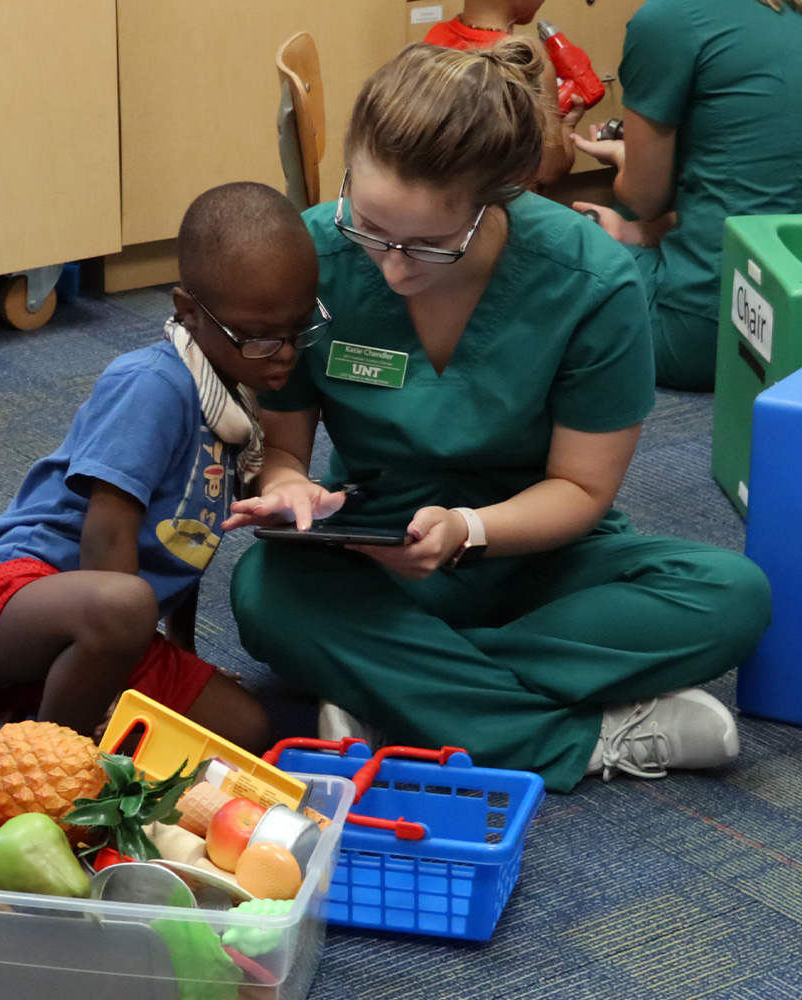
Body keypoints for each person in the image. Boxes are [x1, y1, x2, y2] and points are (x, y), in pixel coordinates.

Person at [223, 41, 771, 793]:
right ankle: (576, 738)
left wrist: (469, 531)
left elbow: (579, 491)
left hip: (535, 552)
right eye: (370, 229)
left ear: (502, 197)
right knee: (263, 590)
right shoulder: (314, 252)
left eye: (427, 247)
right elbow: (284, 450)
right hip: (379, 554)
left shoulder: (593, 282)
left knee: (733, 598)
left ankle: (396, 692)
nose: (390, 266)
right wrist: (288, 489)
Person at [0, 182, 329, 753]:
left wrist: (179, 659)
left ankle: (38, 709)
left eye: (298, 330)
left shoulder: (232, 411)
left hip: (115, 622)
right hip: (5, 599)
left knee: (246, 729)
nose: (287, 354)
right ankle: (43, 763)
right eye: (261, 338)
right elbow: (110, 532)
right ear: (188, 312)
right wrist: (124, 678)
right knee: (125, 606)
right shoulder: (151, 385)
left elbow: (183, 548)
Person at [571, 0, 802, 391]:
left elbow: (646, 199)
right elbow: (759, 190)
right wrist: (640, 231)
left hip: (712, 331)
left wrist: (627, 160)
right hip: (791, 314)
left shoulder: (670, 18)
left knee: (552, 239)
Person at [423, 0, 584, 189]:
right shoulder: (532, 65)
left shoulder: (433, 40)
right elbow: (548, 172)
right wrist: (567, 126)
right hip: (498, 210)